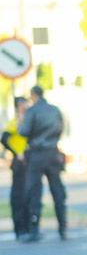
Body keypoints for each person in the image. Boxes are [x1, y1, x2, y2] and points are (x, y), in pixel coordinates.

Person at [18, 85, 67, 242]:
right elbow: (60, 129)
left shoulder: (32, 111)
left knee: (34, 192)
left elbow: (23, 131)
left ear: (33, 95)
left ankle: (34, 229)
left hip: (37, 154)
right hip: (52, 152)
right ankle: (63, 228)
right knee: (57, 191)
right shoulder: (54, 110)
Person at [1, 97, 31, 239]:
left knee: (30, 195)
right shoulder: (14, 122)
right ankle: (19, 228)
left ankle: (29, 226)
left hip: (30, 161)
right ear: (19, 105)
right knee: (19, 196)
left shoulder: (29, 120)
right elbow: (4, 138)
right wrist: (16, 153)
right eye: (24, 103)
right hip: (19, 162)